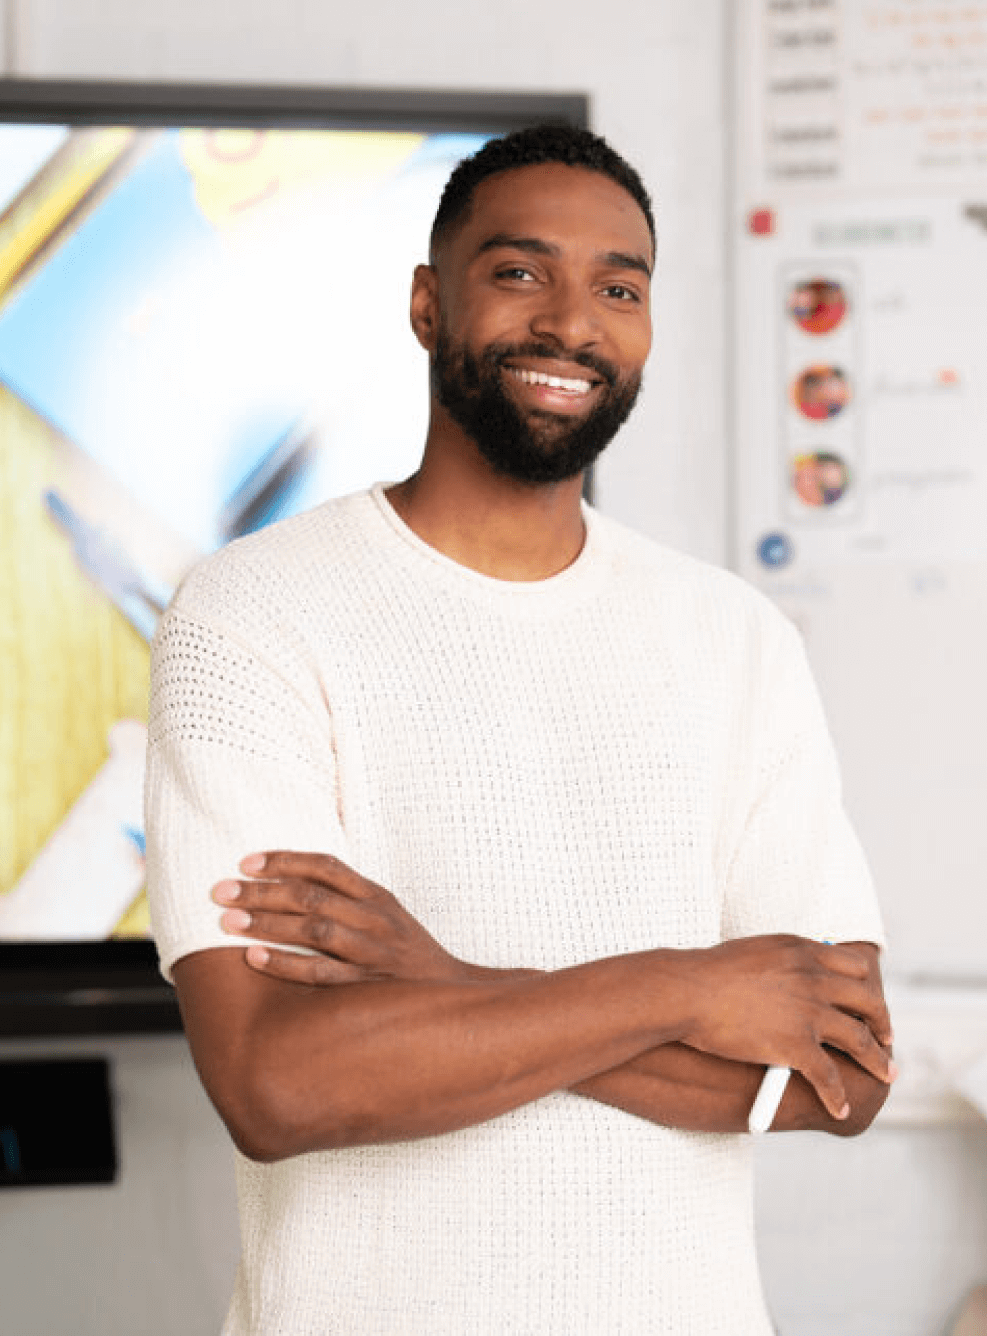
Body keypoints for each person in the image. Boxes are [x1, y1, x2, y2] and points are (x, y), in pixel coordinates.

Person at [145, 124, 892, 1335]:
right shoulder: (252, 614)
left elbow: (843, 1080)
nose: (570, 322)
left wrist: (440, 982)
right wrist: (687, 988)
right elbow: (279, 1082)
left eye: (617, 287)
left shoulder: (733, 638)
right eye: (518, 272)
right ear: (428, 305)